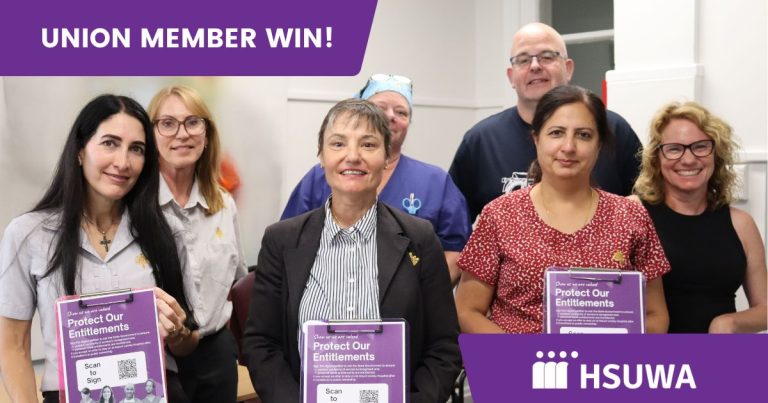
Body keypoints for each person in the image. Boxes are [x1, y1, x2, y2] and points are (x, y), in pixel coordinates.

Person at [242, 99, 461, 403]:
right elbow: (261, 343)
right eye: (338, 143)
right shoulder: (282, 240)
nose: (353, 156)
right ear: (321, 156)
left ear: (387, 157)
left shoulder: (419, 238)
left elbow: (443, 347)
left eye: (369, 144)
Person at [0, 95, 195, 402]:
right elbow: (12, 345)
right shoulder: (28, 234)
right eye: (109, 143)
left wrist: (179, 333)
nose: (123, 162)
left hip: (153, 393)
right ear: (79, 151)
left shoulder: (167, 232)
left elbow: (187, 343)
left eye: (136, 149)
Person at [455, 85, 670, 334]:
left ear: (599, 145)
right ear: (536, 139)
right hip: (519, 366)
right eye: (556, 133)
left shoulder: (630, 216)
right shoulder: (499, 214)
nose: (568, 146)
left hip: (606, 369)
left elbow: (655, 315)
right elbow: (467, 311)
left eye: (584, 135)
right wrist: (521, 358)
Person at [281, 74, 471, 284]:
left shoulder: (436, 182)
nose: (390, 117)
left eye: (401, 112)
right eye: (381, 108)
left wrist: (417, 293)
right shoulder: (320, 178)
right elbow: (289, 243)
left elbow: (456, 250)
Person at [450, 22, 643, 222]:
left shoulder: (611, 128)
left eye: (547, 57)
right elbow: (453, 226)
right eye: (523, 60)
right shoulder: (481, 140)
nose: (535, 66)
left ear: (568, 68)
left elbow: (652, 198)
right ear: (511, 76)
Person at [148, 85, 247, 402]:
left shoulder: (223, 203)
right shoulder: (135, 207)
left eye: (193, 122)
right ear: (151, 135)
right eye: (167, 123)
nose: (182, 134)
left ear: (207, 134)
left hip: (215, 354)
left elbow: (238, 277)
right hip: (156, 358)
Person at [633, 102, 767, 333]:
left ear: (717, 155)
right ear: (657, 158)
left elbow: (765, 308)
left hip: (718, 360)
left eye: (700, 146)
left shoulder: (741, 223)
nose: (688, 159)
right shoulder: (633, 212)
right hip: (654, 363)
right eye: (674, 149)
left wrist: (730, 322)